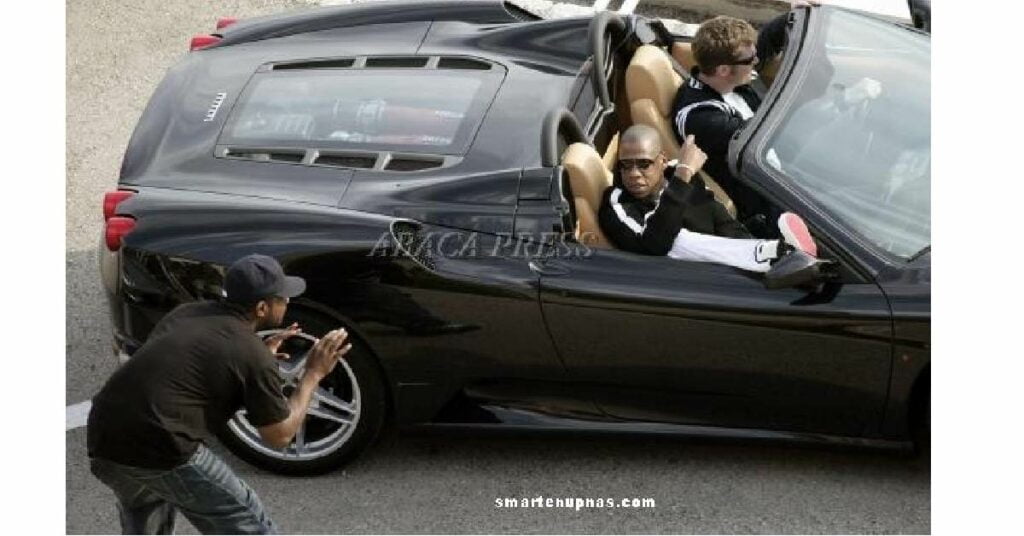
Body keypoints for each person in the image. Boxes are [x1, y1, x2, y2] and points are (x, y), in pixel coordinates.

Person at [87, 254, 352, 534]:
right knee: (250, 524)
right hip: (162, 447)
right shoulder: (249, 353)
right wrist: (313, 374)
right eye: (282, 297)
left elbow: (183, 371)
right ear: (263, 307)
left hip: (105, 437)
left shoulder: (189, 313)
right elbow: (280, 435)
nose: (287, 301)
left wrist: (257, 359)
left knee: (147, 508)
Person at [670, 1, 879, 230]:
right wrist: (843, 100)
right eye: (750, 61)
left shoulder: (727, 77)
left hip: (781, 173)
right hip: (768, 205)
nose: (757, 62)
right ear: (723, 70)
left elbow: (767, 41)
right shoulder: (703, 119)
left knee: (869, 189)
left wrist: (795, 15)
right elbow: (778, 128)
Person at [598, 124, 816, 274]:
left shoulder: (682, 174)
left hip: (725, 268)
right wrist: (682, 176)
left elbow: (719, 219)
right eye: (625, 165)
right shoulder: (616, 203)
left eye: (643, 164)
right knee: (678, 240)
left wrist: (750, 243)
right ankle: (775, 253)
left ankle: (774, 253)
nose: (634, 173)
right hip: (671, 281)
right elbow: (655, 246)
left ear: (662, 160)